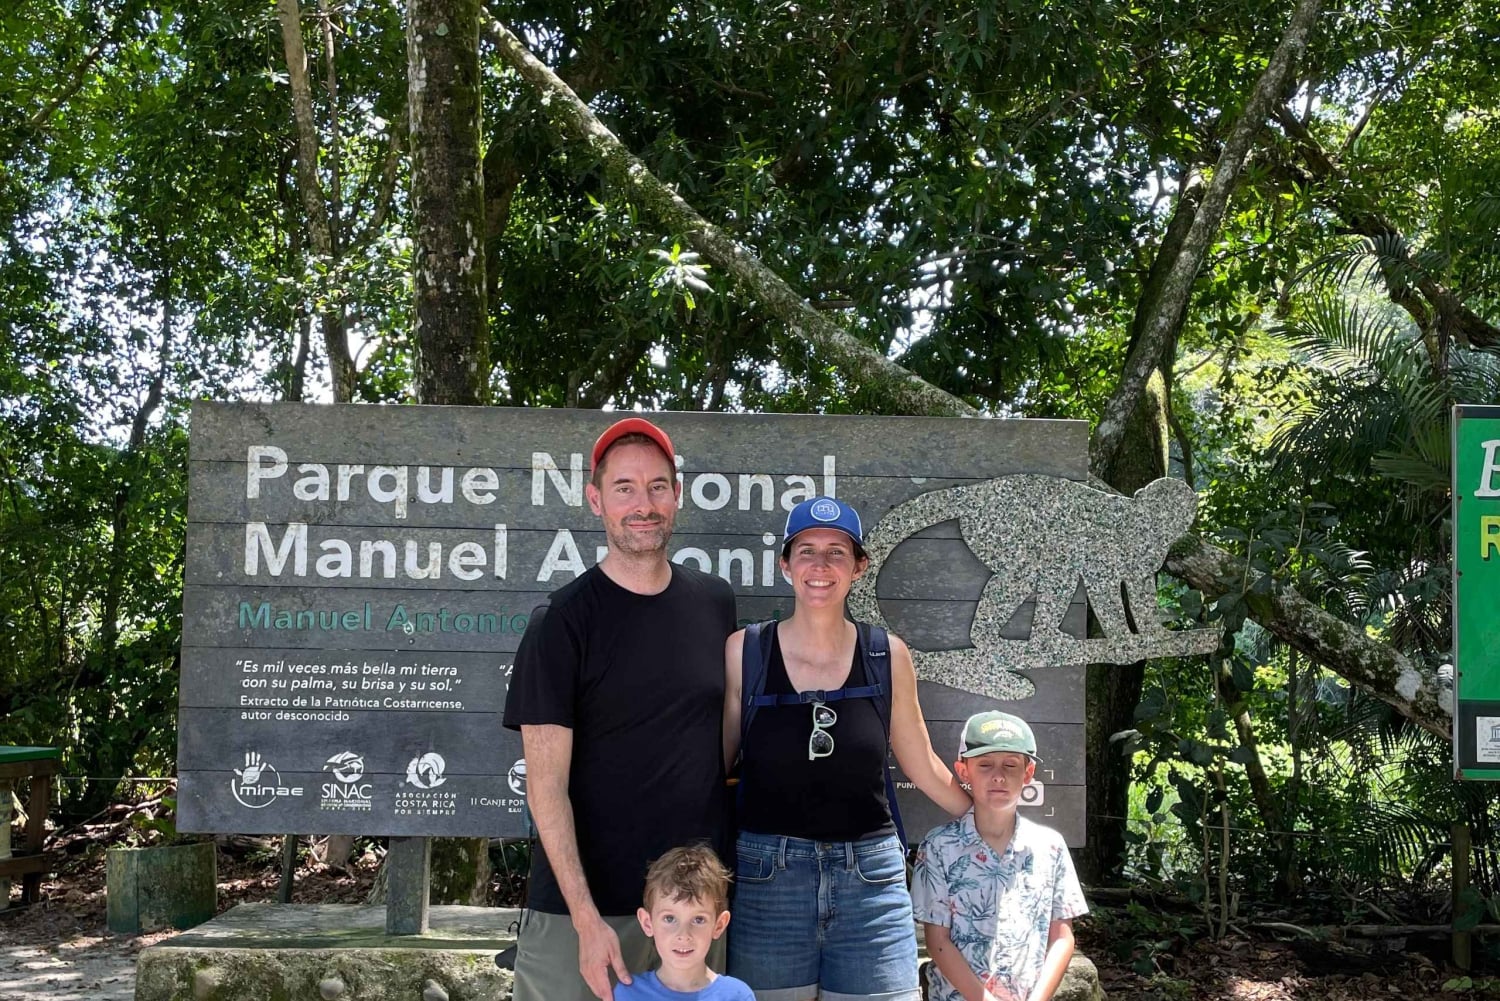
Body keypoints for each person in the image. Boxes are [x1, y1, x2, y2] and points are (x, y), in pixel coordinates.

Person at [503, 417, 738, 1001]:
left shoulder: (713, 603)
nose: (644, 504)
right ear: (595, 499)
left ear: (677, 496)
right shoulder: (560, 622)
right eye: (625, 488)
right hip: (582, 916)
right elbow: (545, 789)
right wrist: (585, 921)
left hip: (688, 918)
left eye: (658, 486)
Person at [722, 496, 972, 1001]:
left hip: (871, 883)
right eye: (806, 551)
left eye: (836, 552)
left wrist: (986, 821)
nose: (820, 566)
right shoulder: (745, 651)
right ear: (784, 564)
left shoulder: (886, 654)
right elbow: (715, 765)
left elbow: (920, 762)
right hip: (767, 879)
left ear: (859, 566)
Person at [911, 711, 1088, 1001]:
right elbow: (937, 941)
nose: (998, 776)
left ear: (1028, 773)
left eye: (1010, 764)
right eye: (984, 764)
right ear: (963, 770)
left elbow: (1062, 937)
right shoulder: (938, 847)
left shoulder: (1051, 847)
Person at [616, 845, 756, 1000]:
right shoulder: (629, 994)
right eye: (670, 919)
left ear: (719, 925)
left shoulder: (737, 996)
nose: (683, 935)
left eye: (698, 920)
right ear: (648, 923)